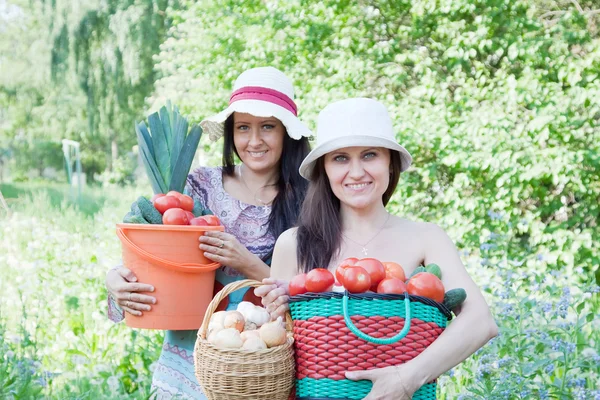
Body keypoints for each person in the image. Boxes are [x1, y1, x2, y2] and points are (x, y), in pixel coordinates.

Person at [256, 98, 498, 400]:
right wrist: (280, 309)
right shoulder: (294, 244)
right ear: (325, 169)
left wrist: (405, 380)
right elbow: (278, 353)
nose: (356, 172)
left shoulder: (426, 238)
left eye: (369, 155)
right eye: (340, 158)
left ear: (389, 162)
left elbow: (480, 321)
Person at [105, 66, 312, 399]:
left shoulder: (312, 199)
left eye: (268, 127)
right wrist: (116, 280)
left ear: (287, 133)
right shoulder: (200, 185)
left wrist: (248, 264)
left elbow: (313, 295)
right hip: (192, 358)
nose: (254, 140)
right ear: (231, 134)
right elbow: (159, 257)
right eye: (243, 127)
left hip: (264, 364)